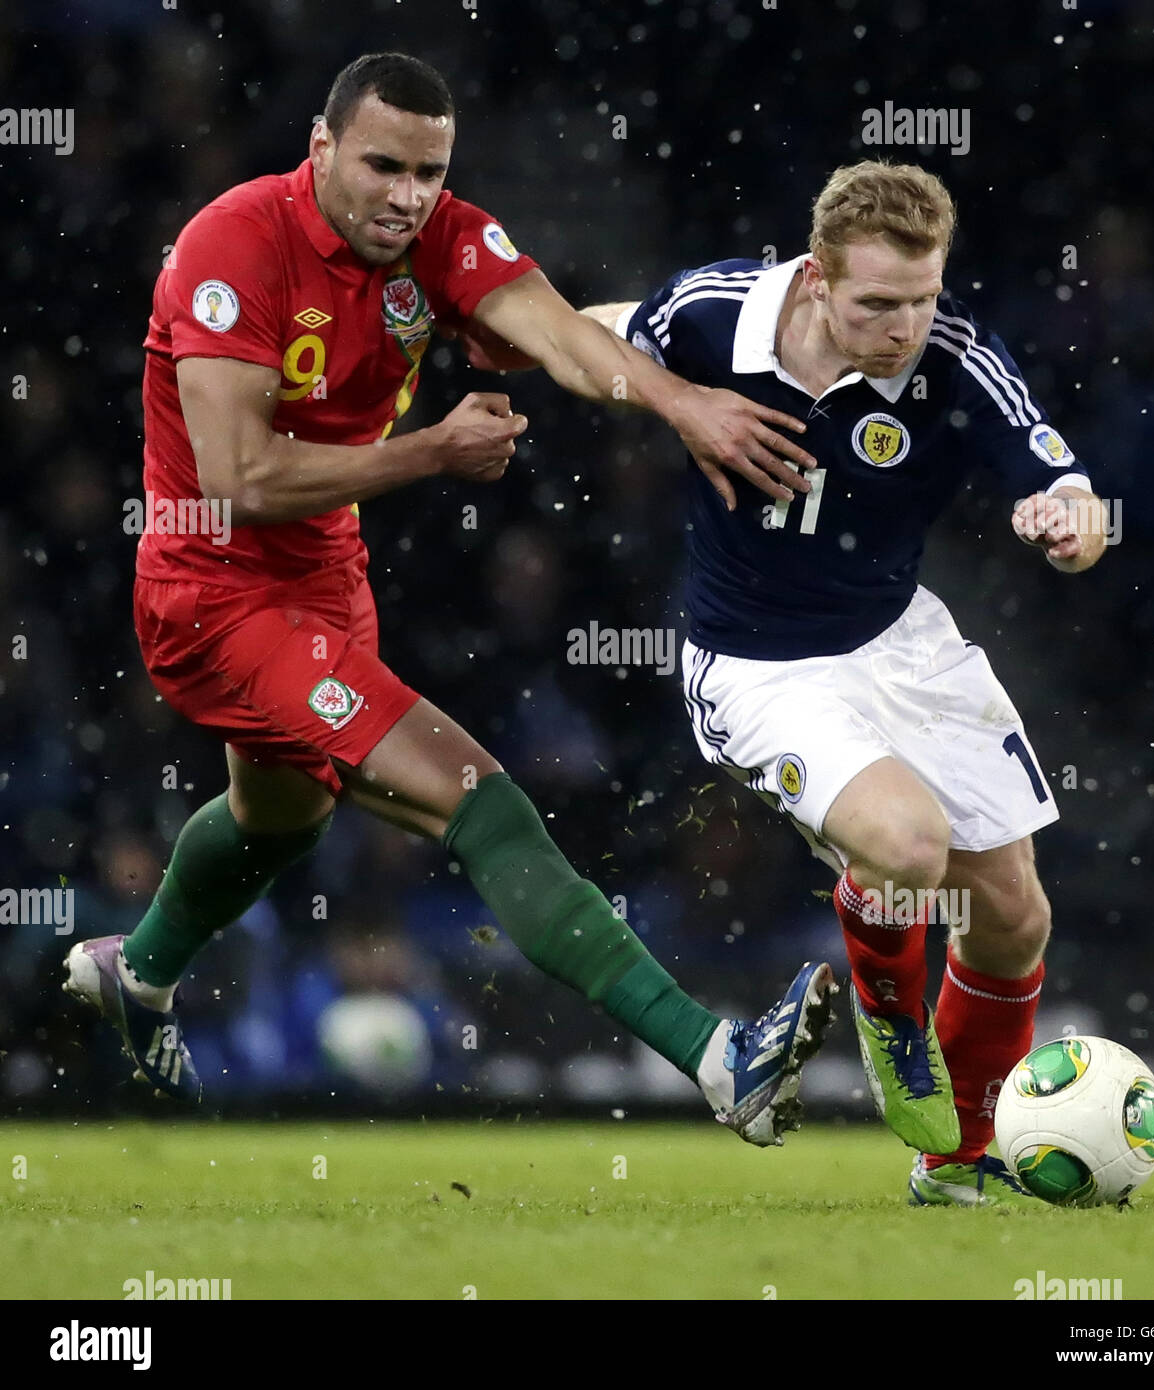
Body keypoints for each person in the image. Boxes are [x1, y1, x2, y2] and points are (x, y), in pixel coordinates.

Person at [63, 52, 836, 1146]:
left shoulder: (442, 235)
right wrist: (432, 451)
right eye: (382, 165)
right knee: (479, 799)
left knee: (281, 814)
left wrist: (684, 406)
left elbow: (565, 337)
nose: (407, 195)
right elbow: (239, 476)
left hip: (326, 574)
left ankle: (134, 974)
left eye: (428, 170)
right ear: (322, 150)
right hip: (214, 588)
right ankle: (720, 1061)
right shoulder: (233, 244)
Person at [580, 160, 1109, 1203]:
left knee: (1013, 912)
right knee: (906, 845)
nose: (905, 325)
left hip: (899, 642)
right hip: (759, 666)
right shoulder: (715, 314)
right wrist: (512, 335)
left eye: (921, 297)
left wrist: (1071, 522)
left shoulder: (951, 355)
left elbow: (1061, 479)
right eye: (877, 302)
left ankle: (953, 1157)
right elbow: (602, 329)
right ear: (815, 277)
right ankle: (887, 1019)